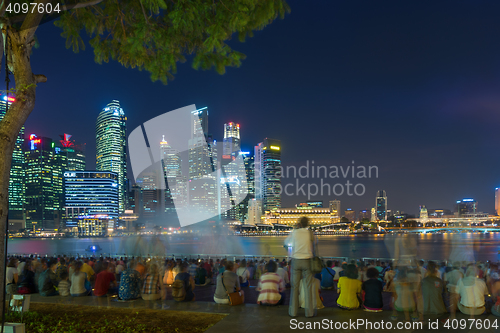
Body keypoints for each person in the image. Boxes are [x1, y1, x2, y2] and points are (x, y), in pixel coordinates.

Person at [285, 217, 316, 318]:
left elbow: (286, 243)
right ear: (307, 224)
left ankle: (293, 312)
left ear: (299, 224)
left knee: (295, 287)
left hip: (296, 260)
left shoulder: (294, 232)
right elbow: (315, 243)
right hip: (307, 261)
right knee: (308, 287)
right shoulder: (310, 233)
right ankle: (309, 313)